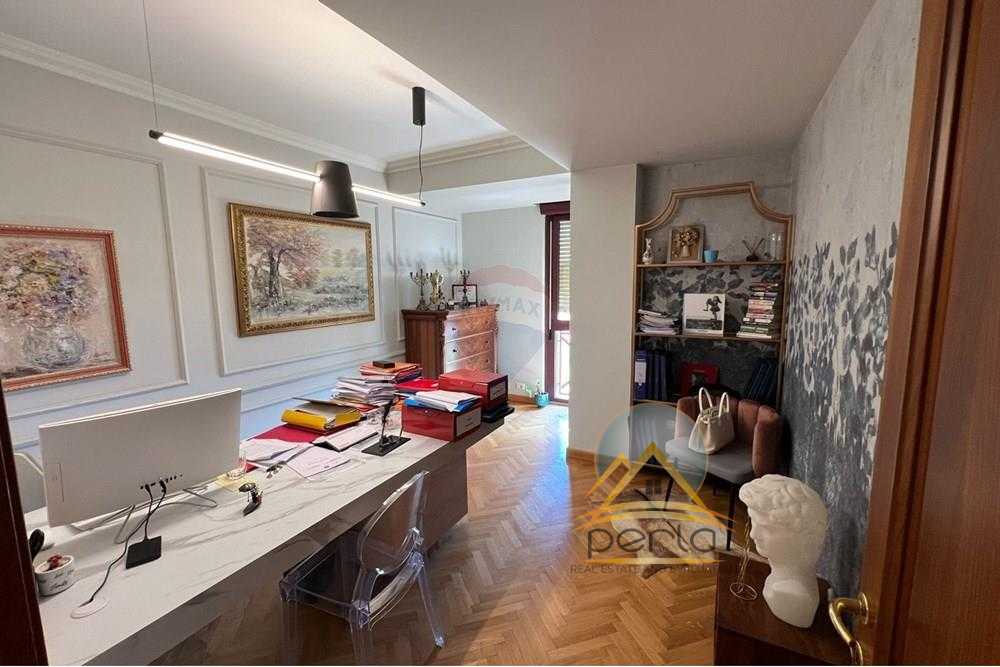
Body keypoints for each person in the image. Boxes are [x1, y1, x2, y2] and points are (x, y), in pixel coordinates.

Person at [739, 474, 828, 627]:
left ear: (801, 538)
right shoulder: (780, 580)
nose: (753, 534)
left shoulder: (798, 596)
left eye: (766, 528)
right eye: (754, 523)